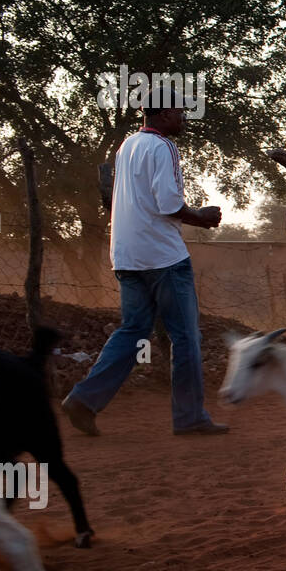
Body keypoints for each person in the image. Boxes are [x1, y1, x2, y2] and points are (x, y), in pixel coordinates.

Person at [62, 84, 228, 436]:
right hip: (163, 257)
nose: (183, 117)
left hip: (126, 256)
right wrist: (202, 217)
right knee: (185, 336)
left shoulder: (127, 145)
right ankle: (190, 418)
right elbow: (168, 204)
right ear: (166, 114)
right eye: (180, 112)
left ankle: (84, 399)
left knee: (132, 330)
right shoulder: (163, 146)